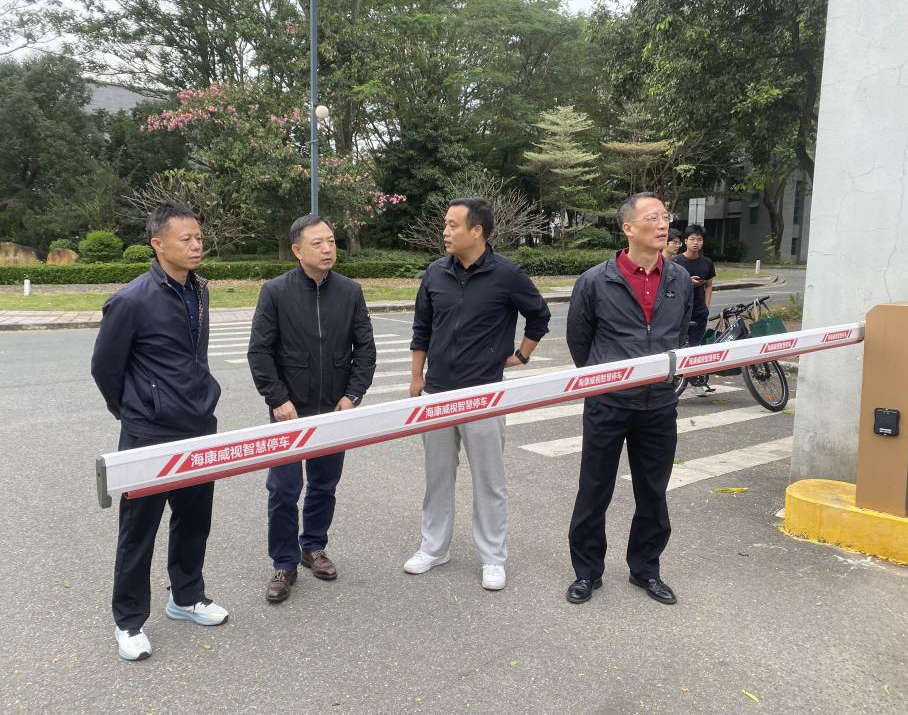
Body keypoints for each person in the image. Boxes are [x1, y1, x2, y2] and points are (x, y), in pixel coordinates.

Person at [91, 202, 228, 662]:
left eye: (198, 237)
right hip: (149, 432)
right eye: (185, 239)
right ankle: (129, 621)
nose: (196, 245)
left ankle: (186, 597)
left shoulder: (199, 290)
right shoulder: (131, 300)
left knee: (194, 519)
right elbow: (104, 367)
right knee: (139, 529)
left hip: (198, 424)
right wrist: (136, 411)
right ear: (158, 244)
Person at [405, 197, 551, 591]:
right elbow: (422, 328)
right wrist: (417, 378)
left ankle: (492, 557)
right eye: (445, 224)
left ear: (477, 231)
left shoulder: (507, 274)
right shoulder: (435, 273)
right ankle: (434, 548)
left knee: (489, 480)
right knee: (437, 476)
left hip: (483, 394)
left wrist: (521, 355)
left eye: (453, 225)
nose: (445, 232)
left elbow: (539, 315)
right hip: (437, 392)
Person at [565, 192, 692, 607]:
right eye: (652, 217)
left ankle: (646, 569)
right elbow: (579, 341)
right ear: (628, 228)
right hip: (608, 404)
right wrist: (606, 380)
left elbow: (680, 335)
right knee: (594, 489)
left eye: (665, 216)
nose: (663, 224)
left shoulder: (678, 279)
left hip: (659, 406)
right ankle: (587, 572)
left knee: (653, 492)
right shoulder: (595, 281)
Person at [248, 214, 375, 603]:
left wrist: (352, 395)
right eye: (317, 243)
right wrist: (278, 399)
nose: (327, 249)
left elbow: (365, 350)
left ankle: (313, 546)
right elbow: (259, 352)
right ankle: (284, 562)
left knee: (324, 484)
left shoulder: (350, 291)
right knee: (283, 489)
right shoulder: (275, 292)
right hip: (289, 410)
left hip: (334, 408)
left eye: (331, 241)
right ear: (297, 250)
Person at [673, 224, 716, 348]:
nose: (695, 242)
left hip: (699, 311)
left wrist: (706, 306)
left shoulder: (707, 262)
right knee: (679, 345)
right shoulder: (675, 262)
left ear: (702, 242)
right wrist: (688, 283)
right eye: (692, 239)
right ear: (685, 241)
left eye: (699, 239)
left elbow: (708, 285)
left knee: (696, 345)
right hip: (680, 311)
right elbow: (670, 288)